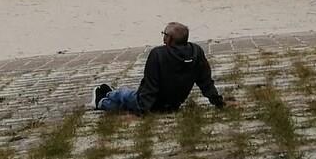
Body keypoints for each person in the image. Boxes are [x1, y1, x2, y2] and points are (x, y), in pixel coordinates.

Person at [95, 22, 227, 113]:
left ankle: (104, 98)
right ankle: (106, 96)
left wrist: (143, 110)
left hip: (149, 102)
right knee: (126, 100)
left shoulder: (158, 54)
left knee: (124, 94)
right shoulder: (196, 51)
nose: (163, 37)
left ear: (169, 38)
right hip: (173, 104)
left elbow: (150, 85)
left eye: (164, 34)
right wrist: (218, 102)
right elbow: (205, 82)